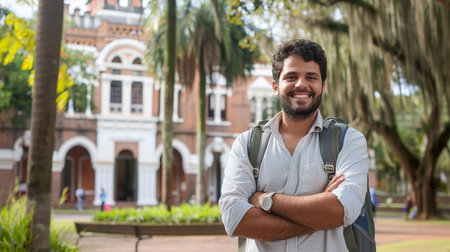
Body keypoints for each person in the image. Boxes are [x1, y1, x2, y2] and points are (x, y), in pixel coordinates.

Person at [219, 39, 368, 251]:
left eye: (311, 77)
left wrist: (266, 200)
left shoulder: (348, 141)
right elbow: (234, 218)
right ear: (275, 86)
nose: (301, 84)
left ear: (322, 87)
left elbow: (343, 210)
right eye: (291, 77)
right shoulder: (247, 144)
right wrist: (319, 214)